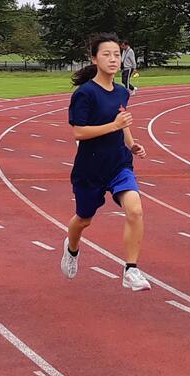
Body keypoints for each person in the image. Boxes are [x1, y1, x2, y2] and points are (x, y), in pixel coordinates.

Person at [60, 33, 151, 291]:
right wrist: (114, 125)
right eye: (106, 54)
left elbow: (123, 122)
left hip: (119, 164)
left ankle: (131, 269)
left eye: (116, 55)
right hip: (90, 168)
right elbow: (79, 132)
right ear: (94, 59)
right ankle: (71, 248)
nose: (113, 59)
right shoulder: (85, 94)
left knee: (135, 209)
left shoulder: (122, 92)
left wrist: (131, 144)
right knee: (83, 219)